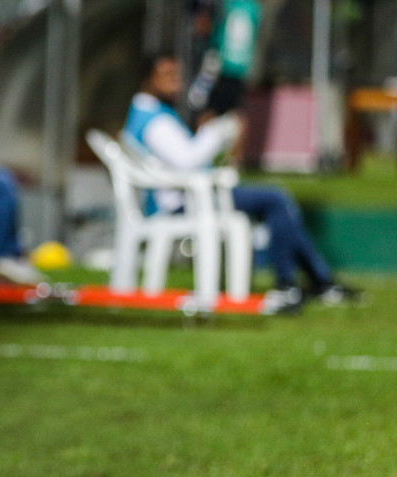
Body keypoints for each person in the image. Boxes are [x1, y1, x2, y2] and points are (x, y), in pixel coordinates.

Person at [124, 53, 359, 315]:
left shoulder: (151, 113)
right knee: (275, 199)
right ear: (147, 79)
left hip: (195, 196)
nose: (176, 82)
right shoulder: (155, 120)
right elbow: (187, 161)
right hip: (182, 204)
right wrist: (218, 129)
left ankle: (316, 279)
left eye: (178, 75)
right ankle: (293, 281)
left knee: (275, 199)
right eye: (167, 75)